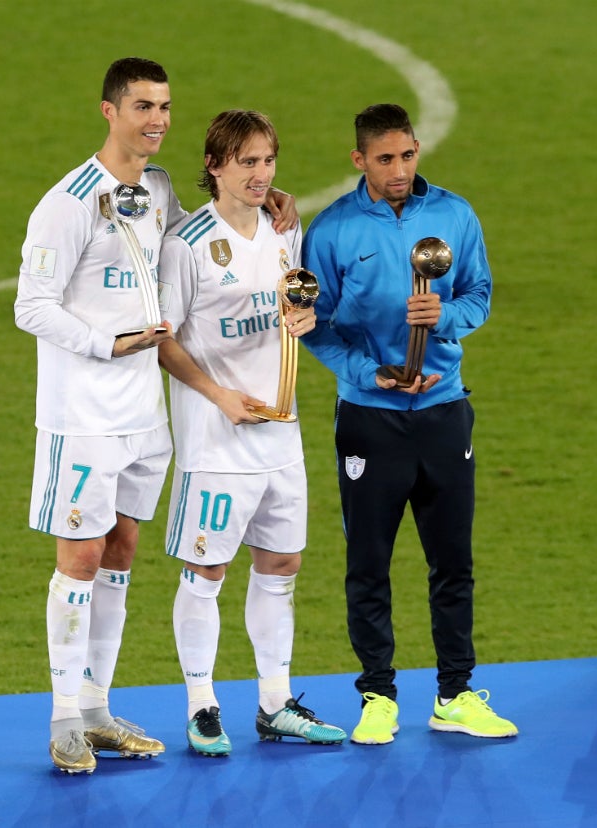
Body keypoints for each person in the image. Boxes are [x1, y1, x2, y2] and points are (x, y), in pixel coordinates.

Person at [13, 58, 299, 775]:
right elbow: (31, 305)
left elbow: (199, 237)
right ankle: (62, 720)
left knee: (119, 554)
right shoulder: (68, 202)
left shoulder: (158, 191)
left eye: (165, 107)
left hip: (145, 416)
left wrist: (268, 198)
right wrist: (107, 343)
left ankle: (99, 708)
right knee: (78, 557)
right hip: (82, 413)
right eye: (143, 107)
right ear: (109, 111)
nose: (158, 120)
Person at [300, 103, 518, 745]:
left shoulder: (455, 214)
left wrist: (445, 316)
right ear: (360, 160)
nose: (400, 170)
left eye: (408, 155)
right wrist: (371, 374)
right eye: (386, 158)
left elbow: (479, 292)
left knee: (453, 560)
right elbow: (316, 324)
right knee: (369, 562)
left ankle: (454, 694)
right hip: (371, 419)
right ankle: (378, 696)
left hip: (445, 410)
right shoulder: (333, 231)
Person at [157, 109, 346, 756]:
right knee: (206, 568)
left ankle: (275, 702)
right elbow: (163, 342)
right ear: (214, 166)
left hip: (281, 433)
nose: (261, 174)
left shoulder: (284, 232)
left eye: (268, 160)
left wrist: (304, 315)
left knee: (282, 564)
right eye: (247, 162)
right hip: (216, 438)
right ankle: (202, 704)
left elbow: (296, 303)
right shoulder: (187, 245)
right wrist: (218, 395)